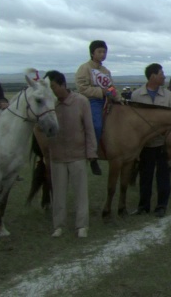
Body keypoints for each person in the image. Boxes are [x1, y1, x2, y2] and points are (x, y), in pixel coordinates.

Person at [45, 70, 96, 238]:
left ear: (62, 85)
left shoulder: (81, 101)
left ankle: (82, 226)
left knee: (80, 193)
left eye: (52, 86)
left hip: (77, 154)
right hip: (57, 156)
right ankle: (58, 226)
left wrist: (91, 152)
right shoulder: (50, 104)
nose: (51, 90)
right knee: (58, 194)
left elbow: (89, 129)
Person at [130, 64, 171, 218]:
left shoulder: (168, 96)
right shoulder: (136, 95)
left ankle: (162, 205)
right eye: (161, 73)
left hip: (163, 144)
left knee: (163, 176)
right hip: (145, 145)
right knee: (145, 176)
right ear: (152, 76)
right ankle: (143, 206)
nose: (164, 76)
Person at [75, 40, 120, 176]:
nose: (102, 54)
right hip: (91, 101)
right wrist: (101, 92)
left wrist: (118, 98)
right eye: (99, 51)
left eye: (104, 52)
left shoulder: (106, 71)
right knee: (97, 126)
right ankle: (92, 155)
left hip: (107, 101)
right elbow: (82, 87)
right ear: (92, 53)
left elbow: (111, 88)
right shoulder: (85, 68)